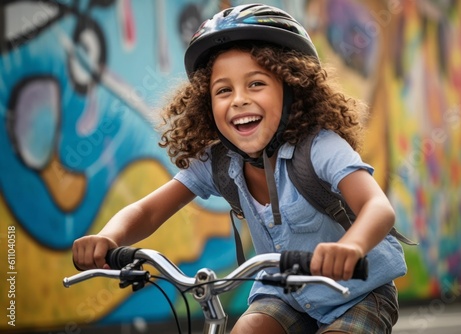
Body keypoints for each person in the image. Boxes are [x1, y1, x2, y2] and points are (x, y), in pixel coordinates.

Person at [72, 3, 407, 333]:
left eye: (256, 84)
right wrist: (108, 237)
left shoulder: (319, 147)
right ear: (207, 104)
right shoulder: (217, 162)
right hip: (284, 294)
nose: (238, 99)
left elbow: (377, 208)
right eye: (223, 90)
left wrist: (351, 247)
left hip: (358, 293)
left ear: (292, 88)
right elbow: (147, 212)